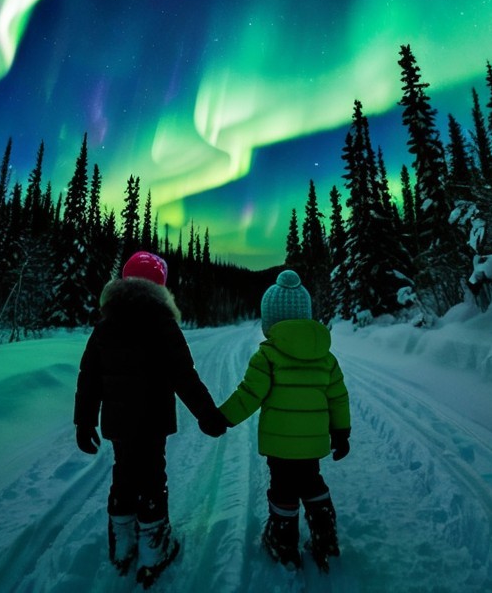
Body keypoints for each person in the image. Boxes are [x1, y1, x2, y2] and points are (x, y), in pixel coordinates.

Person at [74, 251, 228, 586]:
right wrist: (207, 415)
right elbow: (184, 376)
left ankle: (123, 546)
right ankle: (154, 550)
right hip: (152, 421)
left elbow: (89, 377)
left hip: (117, 423)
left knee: (123, 474)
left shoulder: (105, 325)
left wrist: (83, 422)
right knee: (152, 478)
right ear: (160, 286)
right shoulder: (163, 324)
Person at [218, 269, 350, 571]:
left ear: (269, 321)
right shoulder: (325, 357)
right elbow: (338, 397)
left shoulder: (267, 355)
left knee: (283, 488)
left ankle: (283, 539)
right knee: (312, 480)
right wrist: (341, 432)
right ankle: (324, 533)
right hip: (313, 443)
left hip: (280, 445)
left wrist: (221, 418)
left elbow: (249, 395)